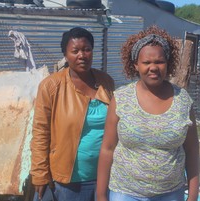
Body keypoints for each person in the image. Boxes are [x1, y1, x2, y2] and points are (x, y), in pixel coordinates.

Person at [97, 25, 200, 201]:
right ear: (135, 65)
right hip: (125, 193)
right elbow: (107, 148)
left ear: (168, 63)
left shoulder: (183, 100)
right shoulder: (121, 98)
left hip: (171, 194)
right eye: (146, 62)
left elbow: (192, 150)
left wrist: (193, 195)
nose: (153, 67)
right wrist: (100, 195)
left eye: (159, 62)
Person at [30, 27, 115, 201]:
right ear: (66, 54)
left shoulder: (106, 82)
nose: (82, 55)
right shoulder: (51, 86)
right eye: (75, 51)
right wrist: (39, 174)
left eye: (87, 49)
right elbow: (40, 132)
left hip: (105, 177)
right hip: (68, 182)